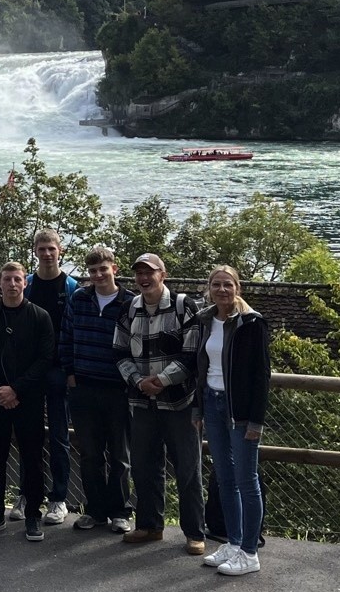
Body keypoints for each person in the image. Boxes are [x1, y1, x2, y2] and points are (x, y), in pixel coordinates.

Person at [114, 253, 206, 554]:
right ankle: (150, 525)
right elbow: (119, 353)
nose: (144, 278)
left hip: (179, 403)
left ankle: (194, 533)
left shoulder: (184, 306)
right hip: (141, 403)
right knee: (143, 467)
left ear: (162, 275)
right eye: (139, 272)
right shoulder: (129, 308)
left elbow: (192, 354)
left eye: (149, 272)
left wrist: (162, 381)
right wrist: (139, 382)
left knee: (188, 470)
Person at [196, 265, 270, 576]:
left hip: (238, 412)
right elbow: (200, 365)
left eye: (228, 284)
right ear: (209, 288)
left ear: (237, 287)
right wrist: (198, 410)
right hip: (212, 403)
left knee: (246, 481)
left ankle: (250, 552)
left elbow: (261, 375)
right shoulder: (205, 320)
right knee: (224, 479)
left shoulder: (251, 323)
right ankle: (234, 542)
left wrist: (255, 421)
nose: (222, 290)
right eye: (217, 284)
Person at [0, 262, 53, 542]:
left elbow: (44, 360)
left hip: (28, 399)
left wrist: (16, 390)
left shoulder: (40, 317)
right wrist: (0, 390)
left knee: (32, 459)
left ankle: (33, 515)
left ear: (25, 283)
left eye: (17, 279)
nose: (12, 284)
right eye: (7, 279)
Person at [62, 245, 133, 534]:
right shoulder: (79, 299)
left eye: (103, 269)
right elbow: (66, 337)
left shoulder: (130, 302)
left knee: (119, 455)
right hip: (84, 388)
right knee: (90, 454)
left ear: (114, 268)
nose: (99, 275)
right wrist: (70, 375)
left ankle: (120, 511)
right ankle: (95, 510)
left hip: (118, 389)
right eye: (93, 271)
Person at [22, 228, 77, 524]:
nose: (46, 253)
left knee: (58, 437)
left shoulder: (71, 287)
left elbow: (73, 332)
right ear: (34, 251)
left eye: (51, 248)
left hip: (58, 370)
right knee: (27, 434)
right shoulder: (26, 285)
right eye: (41, 248)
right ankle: (27, 494)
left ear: (60, 251)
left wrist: (70, 370)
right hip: (30, 372)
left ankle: (58, 498)